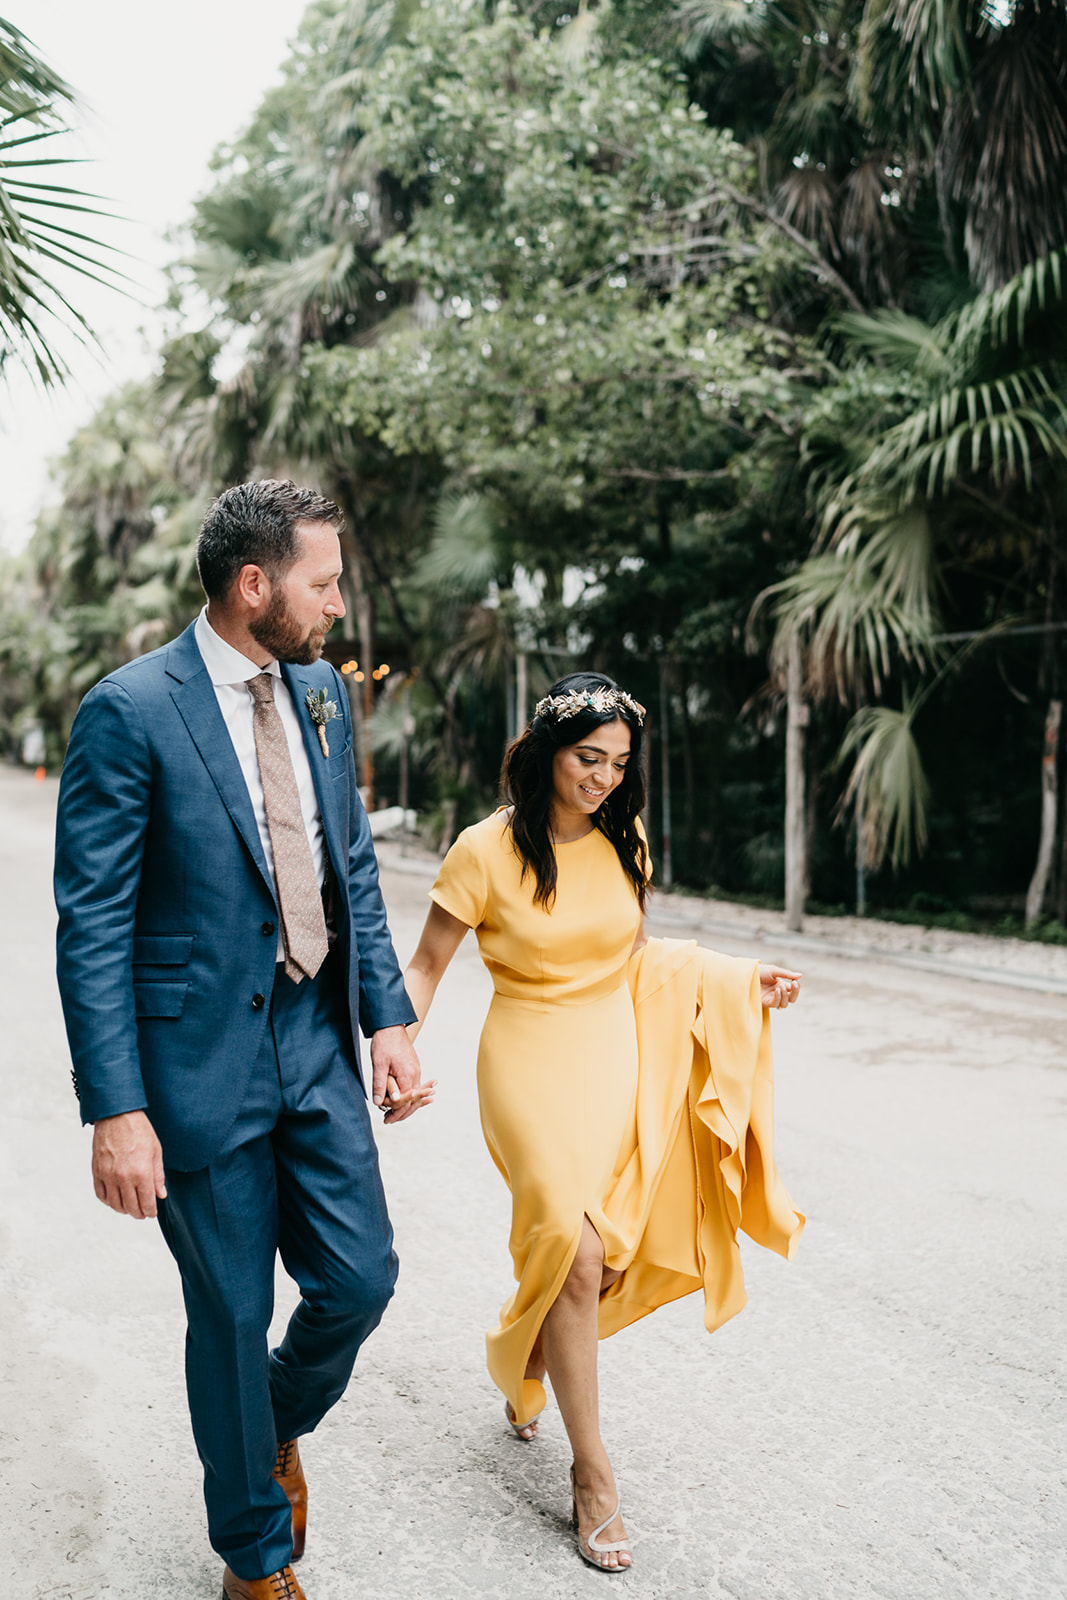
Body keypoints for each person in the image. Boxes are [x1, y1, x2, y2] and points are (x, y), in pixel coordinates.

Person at [54, 480, 433, 1600]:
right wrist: (114, 1107)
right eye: (323, 584)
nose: (337, 607)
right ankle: (254, 1559)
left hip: (315, 1042)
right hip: (193, 1066)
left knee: (359, 1279)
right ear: (253, 585)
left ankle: (260, 1423)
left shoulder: (320, 693)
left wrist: (389, 1016)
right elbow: (94, 924)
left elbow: (348, 866)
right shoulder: (129, 708)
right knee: (227, 1314)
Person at [403, 672, 804, 1573]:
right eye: (589, 758)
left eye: (620, 763)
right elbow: (426, 965)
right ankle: (591, 1475)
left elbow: (634, 960)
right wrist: (394, 1044)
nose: (604, 777)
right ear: (547, 751)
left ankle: (528, 1357)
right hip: (525, 1057)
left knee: (600, 1253)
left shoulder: (628, 843)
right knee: (576, 1252)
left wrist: (742, 980)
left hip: (609, 1050)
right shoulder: (483, 850)